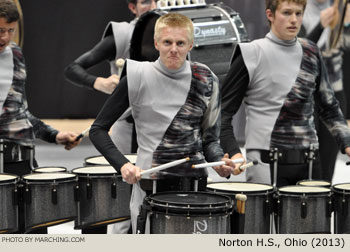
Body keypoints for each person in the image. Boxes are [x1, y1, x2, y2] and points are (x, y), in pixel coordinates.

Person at [89, 12, 243, 234]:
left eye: (180, 43)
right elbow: (98, 130)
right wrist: (123, 165)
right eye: (167, 42)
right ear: (156, 43)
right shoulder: (137, 74)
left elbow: (210, 140)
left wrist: (219, 161)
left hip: (196, 188)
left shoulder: (207, 79)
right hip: (151, 189)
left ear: (191, 44)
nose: (174, 49)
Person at [220, 0, 350, 187]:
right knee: (265, 217)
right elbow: (222, 113)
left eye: (298, 13)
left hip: (310, 161)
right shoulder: (251, 53)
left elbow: (329, 107)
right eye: (287, 13)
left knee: (314, 217)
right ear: (270, 15)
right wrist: (233, 151)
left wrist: (346, 142)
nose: (294, 20)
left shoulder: (311, 52)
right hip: (265, 161)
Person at [64, 0, 157, 234]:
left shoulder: (170, 31)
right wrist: (101, 82)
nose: (153, 5)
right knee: (122, 210)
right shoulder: (122, 34)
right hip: (126, 129)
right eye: (146, 1)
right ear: (132, 7)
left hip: (159, 132)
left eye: (156, 0)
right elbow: (73, 68)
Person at [0, 0, 81, 233]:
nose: (5, 37)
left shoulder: (15, 55)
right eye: (0, 30)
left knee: (33, 230)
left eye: (10, 31)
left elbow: (21, 113)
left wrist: (54, 135)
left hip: (21, 159)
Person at [299, 0, 350, 182]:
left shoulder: (339, 10)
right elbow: (300, 51)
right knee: (308, 163)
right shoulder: (298, 12)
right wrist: (320, 25)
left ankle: (323, 208)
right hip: (306, 96)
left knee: (327, 163)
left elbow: (347, 62)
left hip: (334, 93)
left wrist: (346, 25)